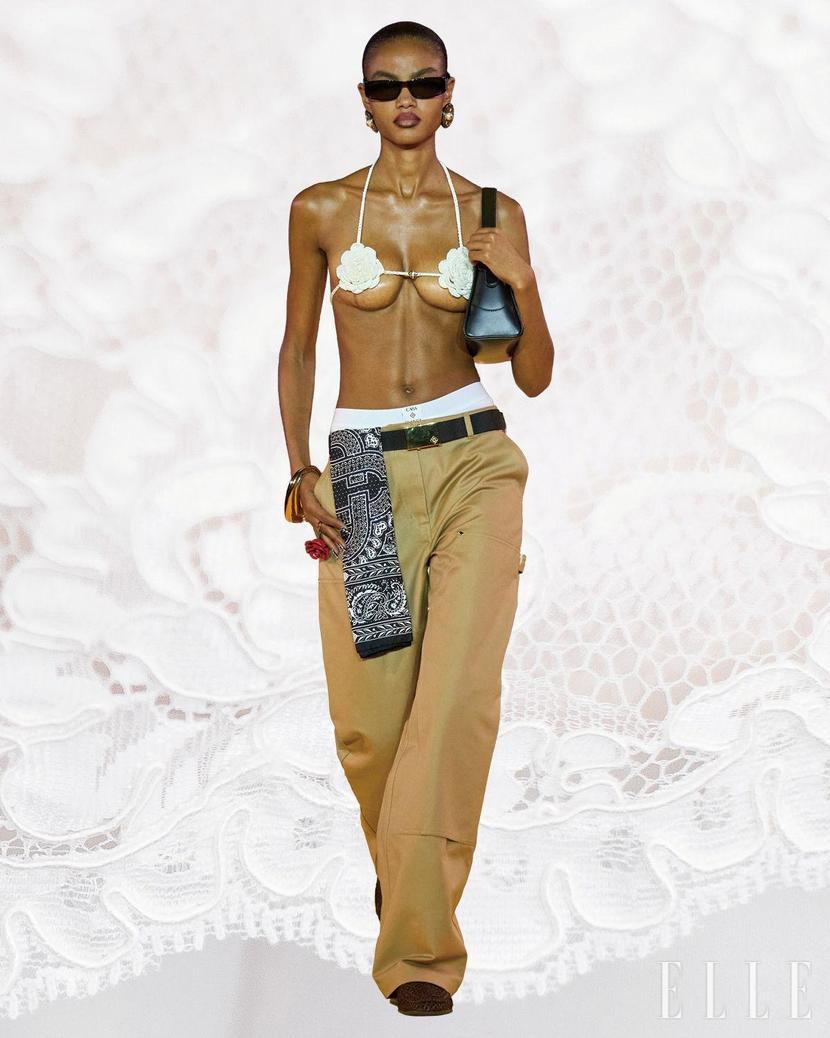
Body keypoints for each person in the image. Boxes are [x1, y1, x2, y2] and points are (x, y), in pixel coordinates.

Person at [278, 20, 554, 1016]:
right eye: (387, 86)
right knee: (373, 723)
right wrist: (298, 468)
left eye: (423, 83)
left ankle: (419, 956)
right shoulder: (319, 210)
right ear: (363, 99)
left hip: (473, 457)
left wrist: (522, 279)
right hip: (359, 472)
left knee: (452, 699)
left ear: (448, 93)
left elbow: (532, 375)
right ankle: (407, 875)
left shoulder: (489, 212)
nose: (406, 100)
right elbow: (298, 347)